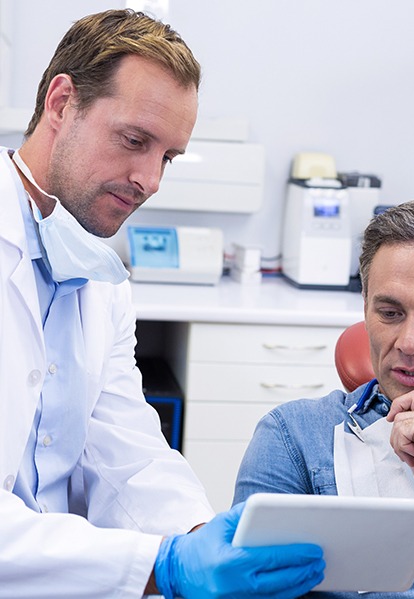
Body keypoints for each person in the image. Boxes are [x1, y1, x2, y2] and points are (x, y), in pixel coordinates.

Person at [0, 9, 325, 598]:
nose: (150, 180)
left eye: (168, 157)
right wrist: (163, 566)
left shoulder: (101, 275)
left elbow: (125, 447)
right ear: (61, 102)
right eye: (134, 141)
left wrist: (200, 536)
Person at [233, 197, 414, 598]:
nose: (409, 343)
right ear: (364, 308)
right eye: (389, 313)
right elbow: (248, 586)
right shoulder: (295, 436)